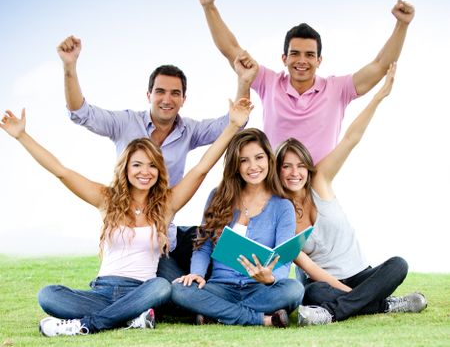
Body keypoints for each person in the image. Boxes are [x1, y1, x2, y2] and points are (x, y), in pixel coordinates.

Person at [0, 93, 252, 336]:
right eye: (137, 165)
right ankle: (130, 318)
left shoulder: (165, 205)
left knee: (162, 286)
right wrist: (22, 136)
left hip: (142, 290)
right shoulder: (107, 199)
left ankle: (87, 325)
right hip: (102, 290)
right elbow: (61, 171)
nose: (145, 171)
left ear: (159, 170)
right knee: (48, 294)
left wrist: (232, 126)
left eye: (152, 165)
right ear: (126, 169)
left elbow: (201, 168)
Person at [57, 35, 240, 281]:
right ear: (148, 95)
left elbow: (232, 124)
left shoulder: (190, 131)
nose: (167, 99)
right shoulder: (124, 124)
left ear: (183, 99)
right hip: (138, 237)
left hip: (167, 228)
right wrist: (69, 67)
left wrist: (244, 80)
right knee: (167, 287)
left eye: (175, 93)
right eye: (160, 91)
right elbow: (80, 113)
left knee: (209, 245)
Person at [274, 63, 427, 326]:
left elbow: (350, 139)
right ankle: (383, 304)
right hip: (324, 283)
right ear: (277, 170)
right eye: (286, 166)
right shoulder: (279, 212)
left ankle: (332, 313)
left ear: (308, 168)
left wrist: (378, 97)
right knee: (312, 292)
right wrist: (354, 295)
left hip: (362, 275)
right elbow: (311, 269)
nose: (294, 173)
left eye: (300, 165)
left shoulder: (320, 181)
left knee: (398, 264)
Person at [197, 0, 415, 164]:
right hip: (274, 186)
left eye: (310, 55)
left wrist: (402, 25)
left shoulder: (338, 89)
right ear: (284, 58)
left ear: (319, 60)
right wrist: (209, 7)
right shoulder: (269, 82)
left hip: (315, 187)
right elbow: (231, 50)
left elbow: (379, 66)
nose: (302, 61)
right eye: (295, 54)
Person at [172, 128, 303, 328]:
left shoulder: (283, 206)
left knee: (294, 290)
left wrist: (271, 278)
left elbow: (283, 258)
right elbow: (204, 245)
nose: (253, 166)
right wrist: (197, 273)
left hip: (260, 289)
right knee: (179, 290)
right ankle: (262, 319)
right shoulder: (218, 197)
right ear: (235, 165)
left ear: (269, 159)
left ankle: (216, 313)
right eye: (244, 160)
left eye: (259, 157)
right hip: (220, 287)